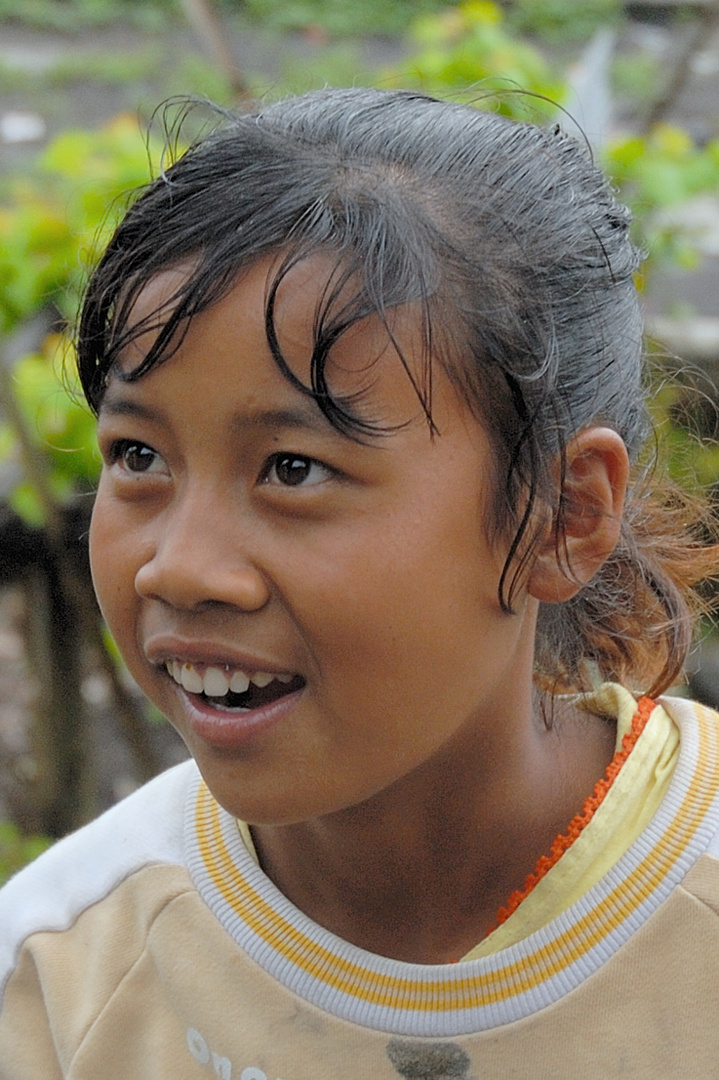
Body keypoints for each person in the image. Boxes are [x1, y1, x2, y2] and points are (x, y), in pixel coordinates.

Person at [1, 86, 719, 1079]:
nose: (179, 565)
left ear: (562, 515)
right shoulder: (59, 972)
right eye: (136, 455)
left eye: (293, 468)